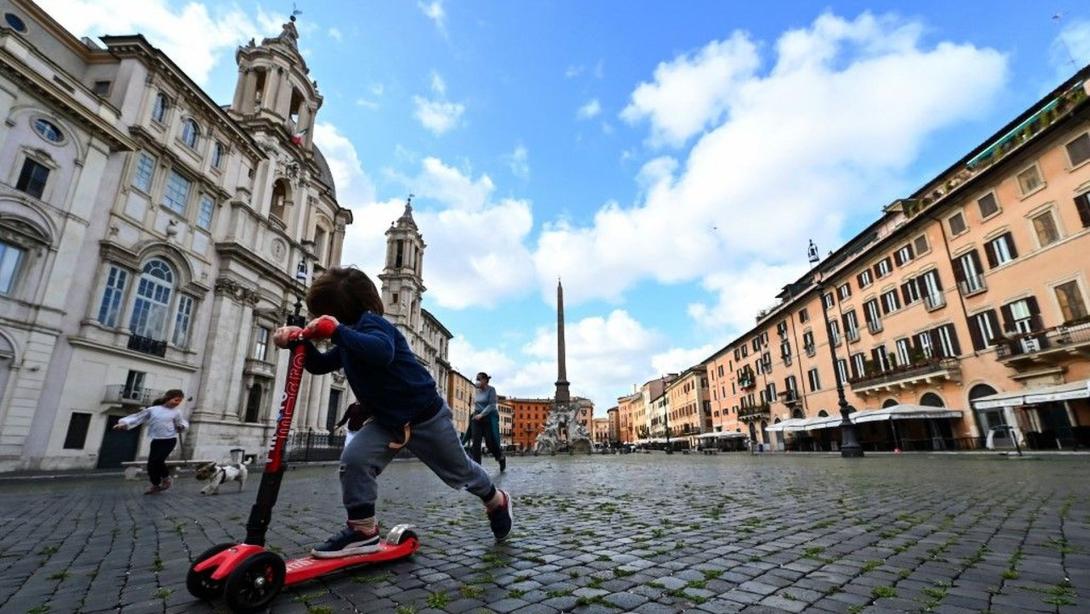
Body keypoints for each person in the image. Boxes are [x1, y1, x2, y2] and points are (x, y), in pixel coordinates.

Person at [272, 267, 512, 558]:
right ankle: (363, 531)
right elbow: (320, 365)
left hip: (426, 416)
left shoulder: (376, 326)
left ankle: (496, 500)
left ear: (340, 310)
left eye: (321, 314)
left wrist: (337, 331)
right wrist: (300, 343)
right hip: (386, 421)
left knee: (460, 471)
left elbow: (381, 352)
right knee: (355, 460)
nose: (318, 319)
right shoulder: (347, 338)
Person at [113, 389, 188, 495]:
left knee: (158, 460)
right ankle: (155, 485)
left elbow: (181, 423)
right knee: (151, 465)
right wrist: (124, 424)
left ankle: (166, 479)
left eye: (180, 401)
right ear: (168, 398)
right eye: (176, 400)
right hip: (156, 440)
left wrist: (182, 427)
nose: (178, 403)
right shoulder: (153, 410)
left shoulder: (177, 412)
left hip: (169, 440)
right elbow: (138, 418)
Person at [470, 372, 506, 472]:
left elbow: (491, 405)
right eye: (476, 379)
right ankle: (477, 469)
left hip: (487, 418)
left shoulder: (491, 390)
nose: (477, 381)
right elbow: (476, 404)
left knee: (490, 443)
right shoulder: (476, 391)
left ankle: (500, 457)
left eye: (479, 379)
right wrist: (476, 414)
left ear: (485, 380)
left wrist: (482, 414)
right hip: (476, 418)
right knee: (476, 443)